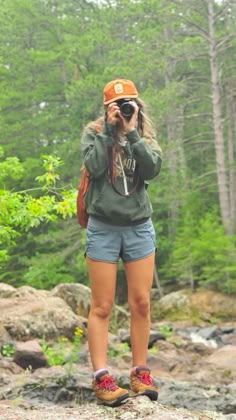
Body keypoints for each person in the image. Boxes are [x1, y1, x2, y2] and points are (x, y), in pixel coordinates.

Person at [80, 79, 162, 407]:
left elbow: (153, 169)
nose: (125, 108)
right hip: (103, 228)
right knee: (101, 306)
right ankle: (102, 378)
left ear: (138, 105)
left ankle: (140, 373)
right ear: (106, 108)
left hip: (139, 228)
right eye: (118, 104)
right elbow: (95, 167)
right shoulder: (94, 133)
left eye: (130, 103)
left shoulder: (145, 137)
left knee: (141, 302)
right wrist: (107, 132)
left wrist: (131, 133)